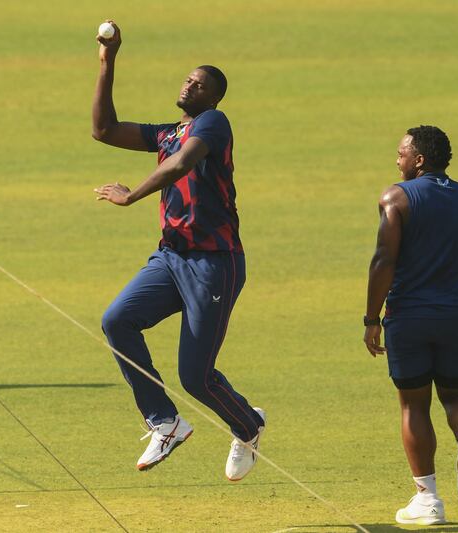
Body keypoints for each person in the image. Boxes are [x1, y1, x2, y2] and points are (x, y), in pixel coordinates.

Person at [91, 21, 265, 480]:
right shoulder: (169, 132)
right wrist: (108, 61)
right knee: (117, 320)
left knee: (196, 377)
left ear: (213, 98)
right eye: (188, 78)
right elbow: (104, 130)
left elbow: (184, 163)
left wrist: (131, 196)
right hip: (170, 258)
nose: (190, 84)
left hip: (215, 263)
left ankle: (248, 425)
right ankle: (164, 421)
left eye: (200, 83)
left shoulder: (213, 125)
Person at [364, 126, 458, 525]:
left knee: (414, 404)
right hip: (456, 315)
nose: (397, 160)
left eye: (401, 153)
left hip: (409, 317)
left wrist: (371, 320)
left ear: (419, 160)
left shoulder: (396, 197)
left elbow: (384, 260)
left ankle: (428, 499)